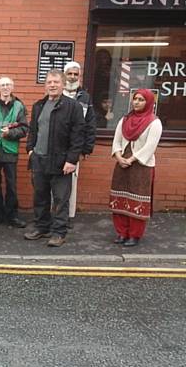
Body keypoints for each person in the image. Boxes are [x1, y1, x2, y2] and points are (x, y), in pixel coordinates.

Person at [24, 69, 84, 247]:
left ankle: (59, 232)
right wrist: (30, 149)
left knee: (61, 199)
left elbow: (78, 135)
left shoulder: (73, 107)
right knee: (40, 197)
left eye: (56, 82)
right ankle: (42, 227)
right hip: (39, 160)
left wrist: (72, 160)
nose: (52, 85)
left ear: (63, 84)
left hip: (61, 162)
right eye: (49, 82)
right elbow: (33, 131)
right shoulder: (38, 106)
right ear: (45, 85)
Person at [109, 89, 162, 247]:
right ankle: (121, 232)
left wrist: (131, 159)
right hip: (122, 164)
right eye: (135, 99)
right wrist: (119, 157)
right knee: (119, 198)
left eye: (141, 100)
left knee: (138, 200)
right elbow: (116, 141)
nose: (137, 102)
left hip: (141, 166)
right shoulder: (124, 119)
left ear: (149, 102)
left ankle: (134, 235)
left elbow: (150, 147)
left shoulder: (154, 122)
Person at [0, 76, 28, 228]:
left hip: (10, 151)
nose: (5, 87)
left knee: (11, 185)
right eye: (2, 85)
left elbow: (24, 129)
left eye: (8, 85)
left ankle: (12, 215)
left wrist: (9, 134)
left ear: (12, 87)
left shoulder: (19, 106)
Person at [63, 61, 96, 223]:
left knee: (72, 183)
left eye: (76, 74)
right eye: (70, 73)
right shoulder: (56, 93)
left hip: (75, 148)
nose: (73, 76)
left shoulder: (85, 97)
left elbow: (90, 124)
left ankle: (68, 216)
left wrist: (87, 148)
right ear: (64, 75)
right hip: (56, 146)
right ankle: (55, 214)